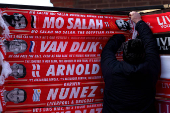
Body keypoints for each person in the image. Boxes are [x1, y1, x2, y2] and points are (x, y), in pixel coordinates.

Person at [101, 11, 160, 113]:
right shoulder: (151, 68)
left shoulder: (112, 69)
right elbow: (150, 44)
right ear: (143, 55)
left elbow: (107, 50)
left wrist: (120, 36)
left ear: (124, 54)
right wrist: (139, 22)